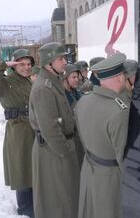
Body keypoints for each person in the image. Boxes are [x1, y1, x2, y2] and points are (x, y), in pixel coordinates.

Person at [75, 52, 130, 218]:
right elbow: (123, 158)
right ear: (120, 77)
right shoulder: (119, 111)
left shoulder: (83, 101)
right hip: (109, 178)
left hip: (89, 167)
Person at [28, 42, 80, 218]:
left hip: (58, 149)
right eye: (61, 58)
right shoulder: (43, 87)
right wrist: (66, 151)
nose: (65, 62)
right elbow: (50, 129)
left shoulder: (53, 81)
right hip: (54, 152)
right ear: (49, 62)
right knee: (57, 200)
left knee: (65, 196)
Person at [0, 49, 35, 218]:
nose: (26, 67)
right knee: (22, 169)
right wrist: (3, 65)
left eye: (29, 64)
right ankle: (26, 209)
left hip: (34, 129)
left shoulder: (30, 80)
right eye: (22, 64)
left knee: (35, 168)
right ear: (14, 65)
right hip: (19, 131)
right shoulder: (5, 82)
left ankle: (36, 205)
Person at [62, 63, 85, 167]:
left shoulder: (76, 92)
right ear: (65, 78)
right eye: (73, 77)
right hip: (69, 142)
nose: (77, 80)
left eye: (77, 77)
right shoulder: (61, 96)